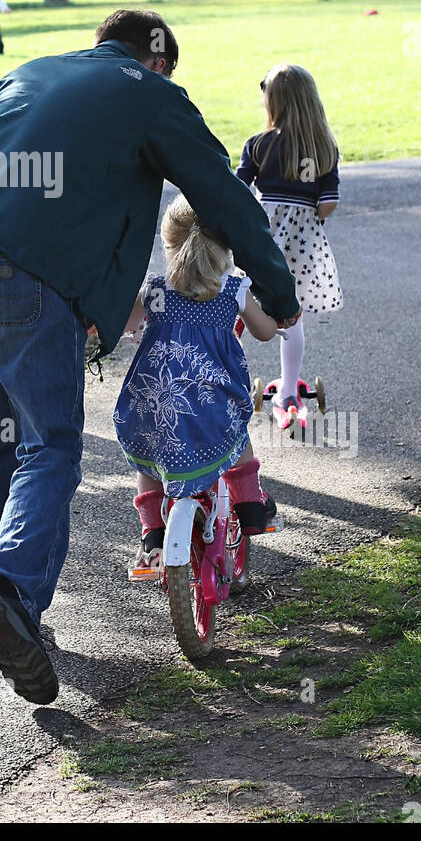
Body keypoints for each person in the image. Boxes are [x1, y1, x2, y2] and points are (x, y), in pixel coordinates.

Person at [0, 10, 300, 706]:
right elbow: (222, 196)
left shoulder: (29, 72)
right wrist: (276, 284)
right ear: (158, 61)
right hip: (21, 269)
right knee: (49, 444)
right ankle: (9, 589)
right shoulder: (151, 94)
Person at [115, 195, 280, 580]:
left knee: (149, 455)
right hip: (207, 407)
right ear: (225, 247)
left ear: (169, 243)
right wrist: (277, 319)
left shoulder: (155, 289)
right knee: (234, 430)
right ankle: (251, 506)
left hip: (152, 407)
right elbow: (266, 331)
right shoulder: (234, 290)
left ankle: (152, 539)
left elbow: (124, 324)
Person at [236, 63, 341, 428]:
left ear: (273, 103)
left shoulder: (259, 145)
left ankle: (220, 372)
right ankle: (288, 393)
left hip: (262, 240)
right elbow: (328, 204)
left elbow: (238, 190)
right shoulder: (324, 148)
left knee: (240, 302)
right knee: (291, 314)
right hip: (302, 247)